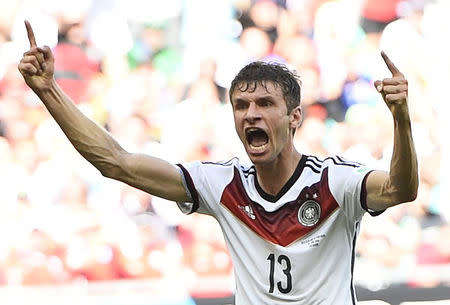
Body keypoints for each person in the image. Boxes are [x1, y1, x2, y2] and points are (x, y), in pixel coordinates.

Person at [18, 20, 418, 304]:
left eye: (265, 104)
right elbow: (116, 163)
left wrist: (400, 116)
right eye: (241, 105)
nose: (251, 114)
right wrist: (49, 90)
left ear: (295, 117)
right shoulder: (221, 184)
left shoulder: (335, 182)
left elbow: (401, 189)